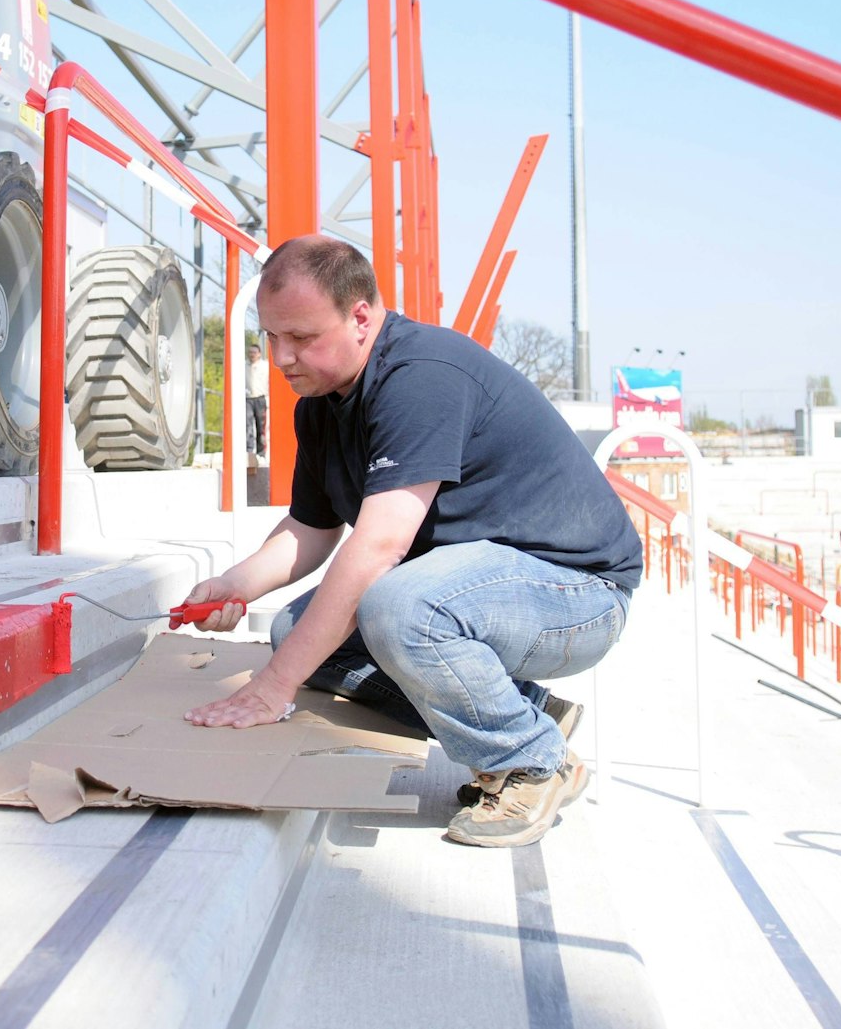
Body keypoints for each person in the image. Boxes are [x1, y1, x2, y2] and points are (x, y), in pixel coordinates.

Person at [180, 236, 642, 848]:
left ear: (362, 317)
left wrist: (271, 689)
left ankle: (532, 762)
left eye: (302, 337)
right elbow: (311, 530)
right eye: (271, 337)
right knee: (297, 635)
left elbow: (377, 549)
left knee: (398, 609)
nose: (282, 358)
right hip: (478, 590)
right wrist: (233, 586)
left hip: (575, 593)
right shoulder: (320, 400)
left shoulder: (420, 376)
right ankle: (522, 710)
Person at [245, 342, 269, 458]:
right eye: (250, 352)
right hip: (248, 398)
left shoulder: (265, 366)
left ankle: (261, 453)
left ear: (259, 354)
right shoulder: (243, 366)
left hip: (260, 398)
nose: (252, 355)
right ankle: (248, 452)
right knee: (247, 425)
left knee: (261, 426)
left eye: (254, 352)